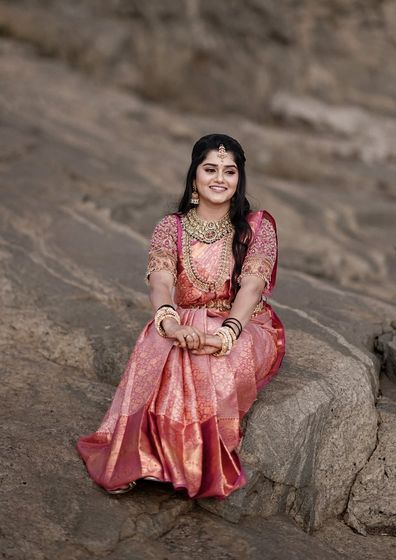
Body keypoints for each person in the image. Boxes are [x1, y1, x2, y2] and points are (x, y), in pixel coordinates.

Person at [76, 133, 286, 499]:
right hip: (181, 317)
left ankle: (186, 463)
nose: (220, 178)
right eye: (210, 169)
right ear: (194, 178)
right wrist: (169, 322)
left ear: (239, 181)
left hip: (243, 324)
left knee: (210, 364)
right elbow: (160, 280)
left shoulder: (257, 226)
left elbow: (252, 287)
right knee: (158, 348)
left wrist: (225, 335)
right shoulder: (169, 227)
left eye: (230, 171)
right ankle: (141, 459)